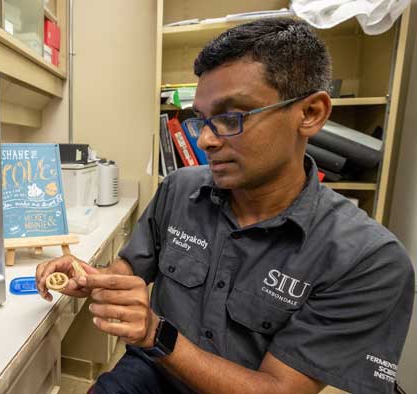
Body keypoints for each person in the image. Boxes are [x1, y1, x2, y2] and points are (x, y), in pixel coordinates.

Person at [35, 18, 414, 394]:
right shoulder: (179, 189)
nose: (206, 141)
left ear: (310, 113)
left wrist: (155, 332)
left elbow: (278, 389)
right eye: (201, 120)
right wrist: (90, 278)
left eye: (231, 118)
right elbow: (130, 267)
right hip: (152, 372)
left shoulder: (369, 260)